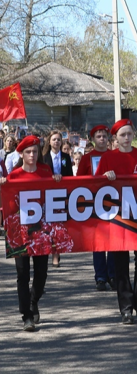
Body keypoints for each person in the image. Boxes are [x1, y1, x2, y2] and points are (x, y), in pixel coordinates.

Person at [95, 119, 137, 324]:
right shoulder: (108, 157)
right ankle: (126, 308)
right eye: (122, 135)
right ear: (115, 138)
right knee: (121, 264)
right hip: (118, 219)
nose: (126, 138)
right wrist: (105, 176)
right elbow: (94, 184)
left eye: (129, 134)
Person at [4, 135, 62, 331]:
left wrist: (57, 180)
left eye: (35, 151)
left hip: (42, 232)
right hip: (20, 233)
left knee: (41, 273)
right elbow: (9, 204)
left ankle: (33, 300)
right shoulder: (14, 176)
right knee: (22, 273)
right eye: (28, 152)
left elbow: (54, 195)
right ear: (21, 154)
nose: (32, 154)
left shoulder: (46, 171)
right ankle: (26, 315)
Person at [77, 125, 116, 291]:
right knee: (98, 242)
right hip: (93, 203)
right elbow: (79, 179)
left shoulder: (114, 156)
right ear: (93, 139)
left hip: (113, 202)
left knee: (113, 242)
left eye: (104, 136)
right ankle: (100, 276)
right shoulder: (87, 158)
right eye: (98, 136)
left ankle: (113, 274)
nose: (102, 139)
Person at [43, 130, 73, 267]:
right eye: (54, 139)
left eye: (58, 140)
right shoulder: (43, 157)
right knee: (48, 226)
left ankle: (56, 254)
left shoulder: (66, 157)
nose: (56, 142)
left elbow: (70, 176)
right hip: (47, 194)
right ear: (49, 141)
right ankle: (47, 250)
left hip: (62, 194)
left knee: (59, 226)